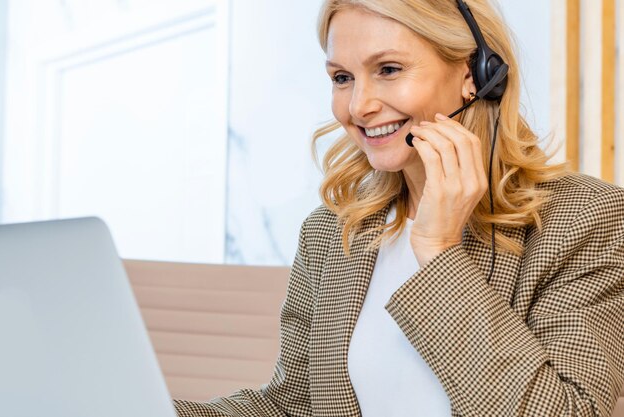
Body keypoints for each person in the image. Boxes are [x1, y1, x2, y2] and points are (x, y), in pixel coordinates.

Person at [174, 0, 624, 416]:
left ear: (474, 73)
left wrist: (439, 251)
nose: (359, 106)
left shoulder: (587, 219)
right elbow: (292, 407)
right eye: (341, 77)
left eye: (388, 69)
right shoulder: (333, 231)